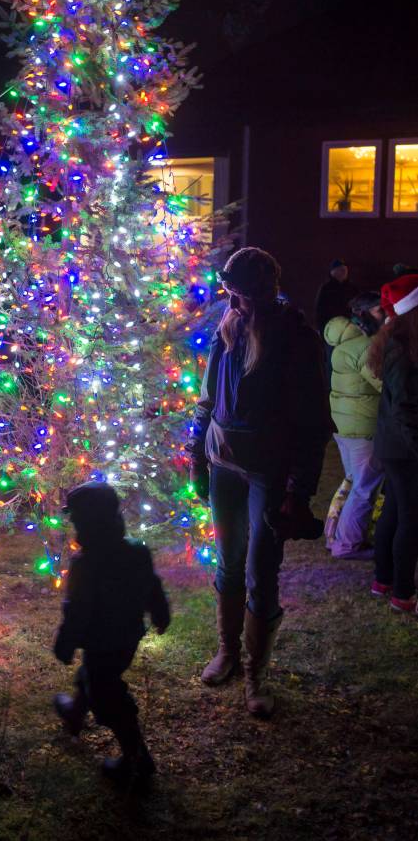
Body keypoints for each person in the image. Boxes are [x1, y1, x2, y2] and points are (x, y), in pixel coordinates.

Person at [189, 247, 331, 718]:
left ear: (262, 292)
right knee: (229, 564)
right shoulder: (226, 330)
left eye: (241, 294)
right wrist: (196, 455)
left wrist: (299, 490)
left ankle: (255, 673)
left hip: (267, 471)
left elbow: (312, 422)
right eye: (229, 293)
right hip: (223, 464)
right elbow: (207, 400)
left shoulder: (294, 337)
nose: (233, 303)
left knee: (260, 571)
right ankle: (228, 652)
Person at [52, 481, 170, 782]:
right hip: (128, 638)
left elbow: (77, 609)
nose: (73, 524)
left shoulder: (86, 563)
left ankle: (137, 760)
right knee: (94, 674)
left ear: (88, 523)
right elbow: (152, 585)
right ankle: (75, 713)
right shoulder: (136, 550)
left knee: (108, 696)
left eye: (76, 518)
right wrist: (160, 612)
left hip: (102, 641)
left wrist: (65, 643)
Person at [367, 274, 418, 614]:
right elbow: (405, 408)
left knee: (395, 512)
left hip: (395, 445)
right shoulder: (402, 350)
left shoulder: (397, 343)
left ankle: (383, 578)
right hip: (404, 449)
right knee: (410, 517)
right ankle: (402, 590)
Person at [323, 293, 384, 557]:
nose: (385, 315)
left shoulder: (343, 345)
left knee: (352, 481)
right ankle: (347, 544)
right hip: (364, 428)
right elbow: (383, 383)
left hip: (345, 426)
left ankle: (334, 535)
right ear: (365, 315)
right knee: (365, 487)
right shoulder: (364, 347)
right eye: (380, 311)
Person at [314, 259, 359, 336]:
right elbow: (320, 311)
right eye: (341, 269)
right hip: (332, 330)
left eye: (345, 269)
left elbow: (359, 306)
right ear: (333, 272)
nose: (344, 272)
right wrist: (322, 330)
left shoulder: (352, 288)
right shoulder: (326, 289)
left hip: (350, 329)